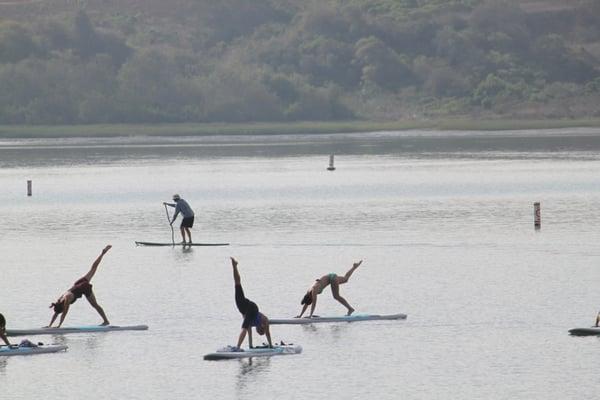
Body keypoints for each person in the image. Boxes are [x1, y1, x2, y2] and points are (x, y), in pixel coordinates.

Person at [47, 245, 112, 328]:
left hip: (84, 287)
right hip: (78, 283)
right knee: (93, 269)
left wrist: (59, 325)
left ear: (62, 307)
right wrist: (49, 326)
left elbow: (65, 312)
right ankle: (103, 253)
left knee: (94, 305)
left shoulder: (66, 300)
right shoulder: (59, 301)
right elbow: (56, 313)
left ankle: (106, 321)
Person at [230, 257, 272, 350]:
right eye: (261, 331)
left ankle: (234, 266)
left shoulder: (251, 323)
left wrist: (250, 346)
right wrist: (271, 346)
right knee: (244, 326)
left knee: (237, 284)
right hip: (252, 307)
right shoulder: (265, 320)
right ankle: (237, 347)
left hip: (242, 306)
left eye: (259, 332)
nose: (259, 331)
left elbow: (249, 334)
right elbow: (268, 334)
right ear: (262, 327)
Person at [296, 260, 363, 318]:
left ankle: (350, 309)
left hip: (332, 279)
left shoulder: (313, 290)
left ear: (310, 297)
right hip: (331, 276)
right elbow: (306, 303)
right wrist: (300, 315)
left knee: (336, 296)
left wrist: (310, 315)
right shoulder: (308, 293)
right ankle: (354, 267)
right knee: (345, 279)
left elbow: (314, 303)